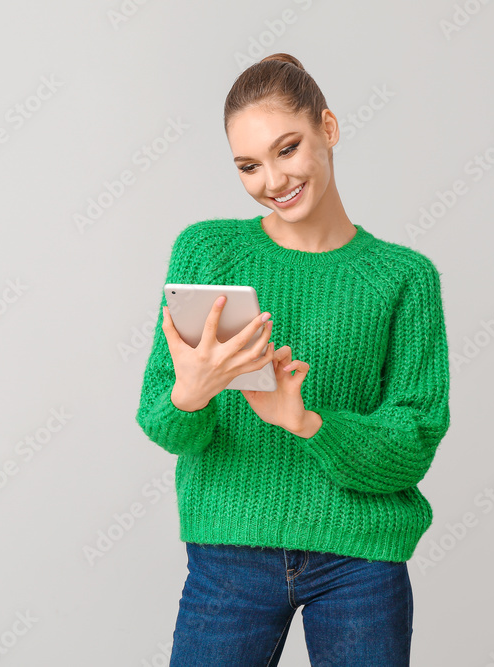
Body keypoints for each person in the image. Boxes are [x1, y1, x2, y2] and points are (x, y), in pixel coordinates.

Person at [135, 53, 451, 666]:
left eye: (287, 149)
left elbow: (413, 442)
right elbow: (160, 420)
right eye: (249, 166)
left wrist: (306, 421)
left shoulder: (404, 278)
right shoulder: (206, 253)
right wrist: (191, 392)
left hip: (359, 558)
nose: (272, 182)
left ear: (327, 129)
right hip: (228, 551)